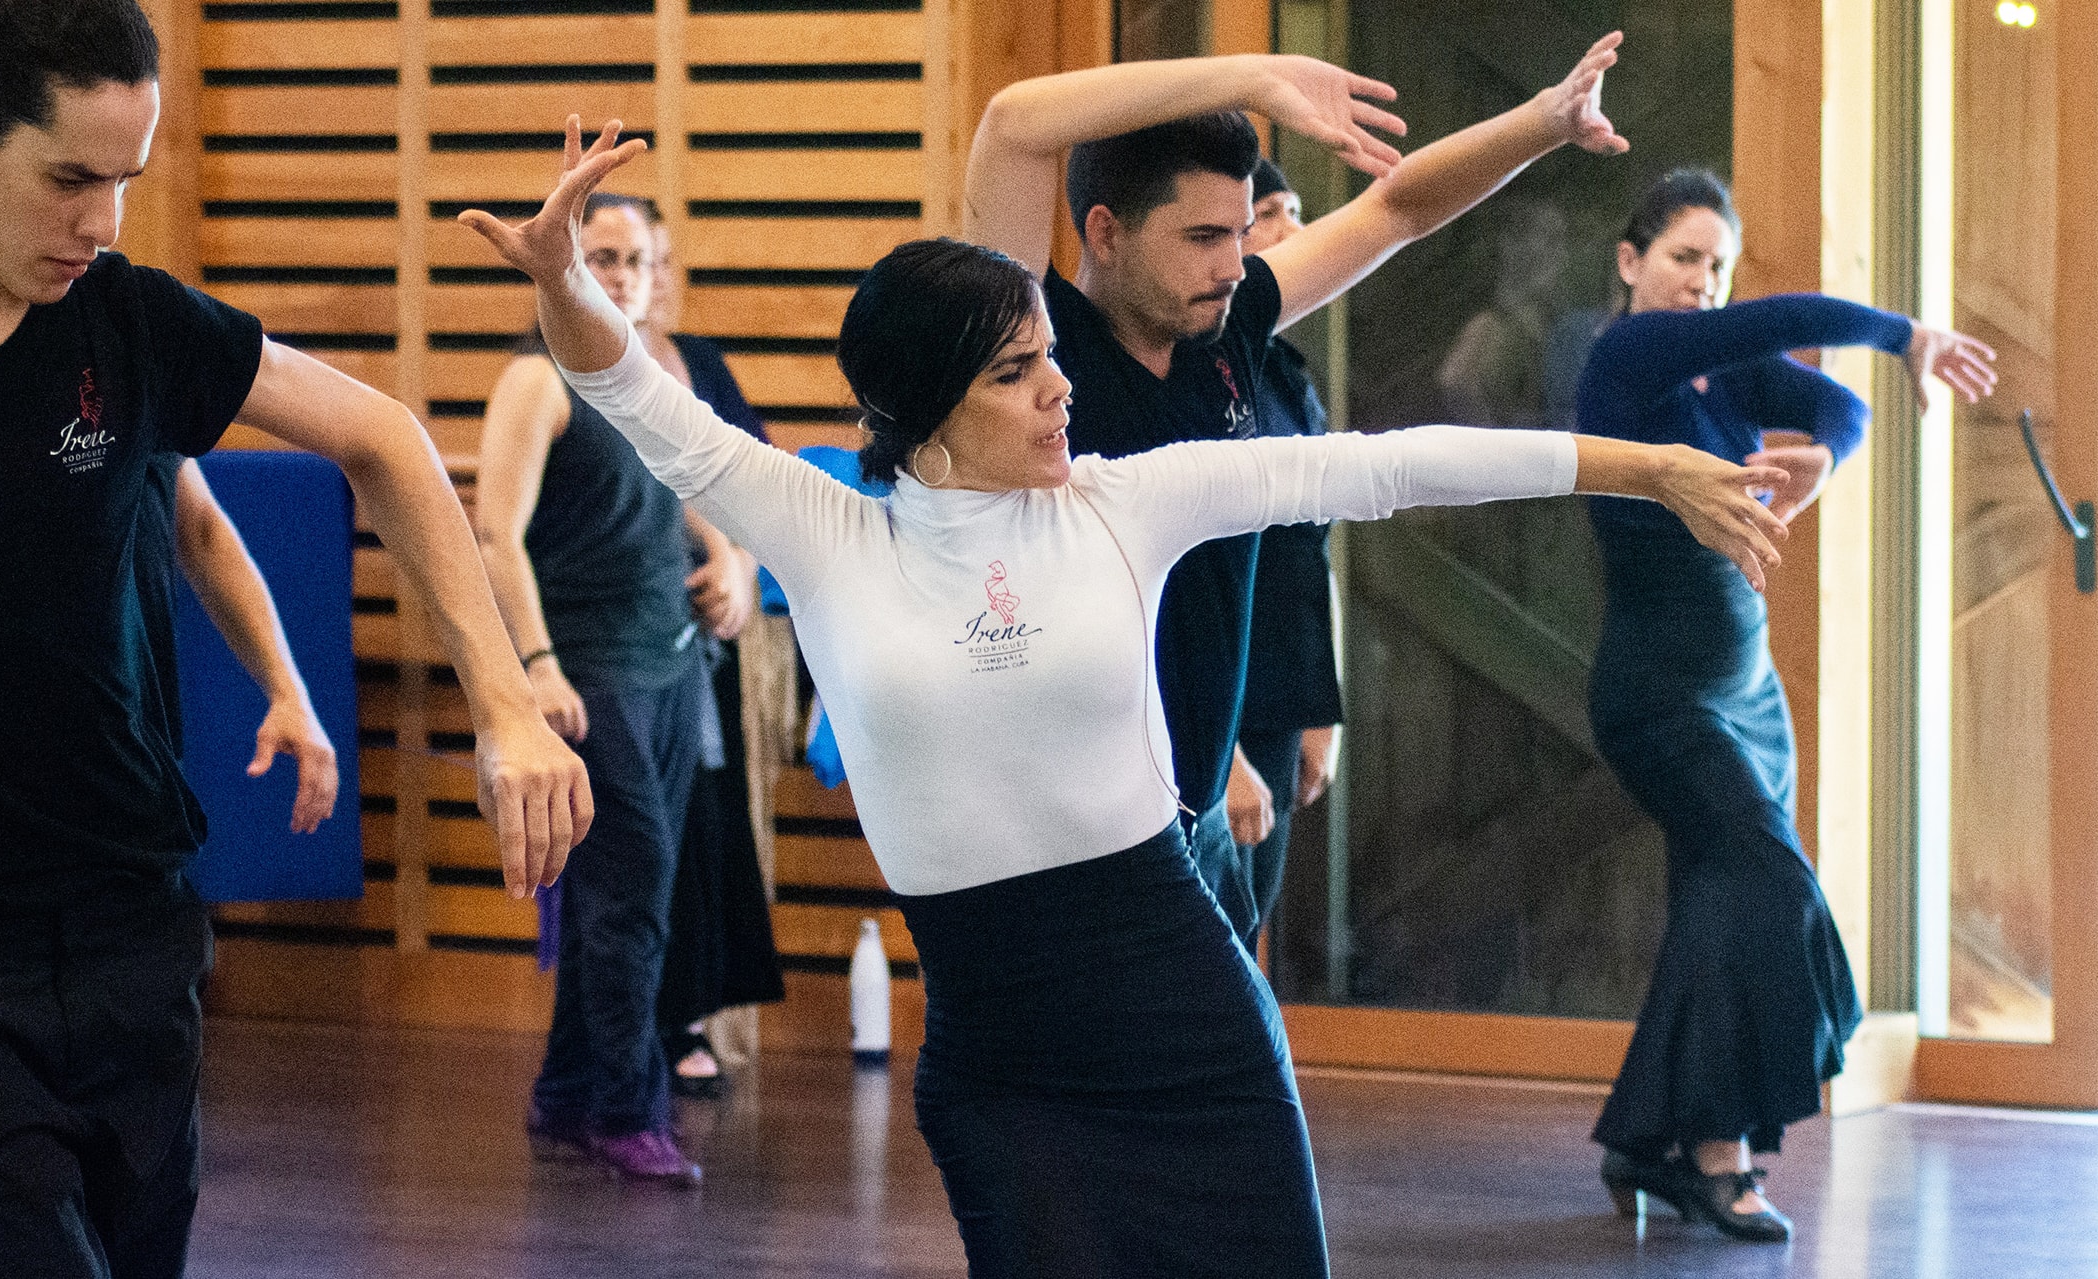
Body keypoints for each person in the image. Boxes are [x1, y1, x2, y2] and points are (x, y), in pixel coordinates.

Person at [462, 118, 1787, 1279]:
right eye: (1014, 372)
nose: (1061, 389)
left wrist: (1647, 464)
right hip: (996, 1049)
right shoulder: (825, 530)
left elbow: (1389, 466)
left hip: (1182, 1008)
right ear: (924, 403)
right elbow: (622, 387)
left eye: (1052, 356)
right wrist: (562, 271)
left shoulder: (1121, 502)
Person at [0, 3, 590, 1275]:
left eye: (127, 181)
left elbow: (386, 440)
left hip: (135, 925)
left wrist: (506, 704)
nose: (105, 222)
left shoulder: (128, 325)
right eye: (70, 179)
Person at [960, 35, 1631, 942]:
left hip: (1193, 818)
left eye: (1240, 234)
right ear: (1106, 232)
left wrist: (1540, 122)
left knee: (1240, 1080)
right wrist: (1246, 77)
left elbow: (1396, 208)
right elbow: (1010, 125)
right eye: (1203, 237)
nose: (1234, 264)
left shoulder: (1230, 329)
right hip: (1073, 838)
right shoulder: (1031, 347)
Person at [1578, 170, 1997, 1242]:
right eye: (1683, 258)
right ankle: (1719, 1152)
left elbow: (1834, 406)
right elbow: (1796, 322)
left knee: (1716, 908)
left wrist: (1824, 460)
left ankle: (1646, 1144)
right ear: (1630, 263)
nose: (1701, 283)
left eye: (1715, 267)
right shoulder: (1626, 357)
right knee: (1768, 886)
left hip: (1748, 693)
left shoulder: (1721, 384)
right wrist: (1902, 331)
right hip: (1659, 695)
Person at [475, 192, 760, 1183]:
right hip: (592, 678)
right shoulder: (533, 378)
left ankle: (564, 1094)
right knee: (627, 902)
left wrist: (726, 558)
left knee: (627, 893)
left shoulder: (640, 380)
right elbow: (493, 535)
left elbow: (692, 487)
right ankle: (624, 1111)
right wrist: (537, 672)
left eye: (636, 258)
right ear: (566, 264)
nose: (623, 272)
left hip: (673, 667)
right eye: (602, 254)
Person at [637, 213, 786, 1100]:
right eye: (621, 261)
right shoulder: (566, 375)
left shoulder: (704, 363)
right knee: (648, 829)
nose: (646, 278)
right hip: (631, 632)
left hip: (713, 632)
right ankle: (642, 1022)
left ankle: (688, 1010)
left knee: (711, 819)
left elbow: (756, 484)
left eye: (657, 262)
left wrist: (741, 567)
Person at [1223, 157, 1342, 953]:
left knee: (1249, 927)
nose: (1297, 231)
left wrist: (1320, 711)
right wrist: (1218, 753)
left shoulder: (1291, 374)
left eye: (1300, 209)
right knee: (1209, 944)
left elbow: (1311, 551)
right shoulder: (1206, 376)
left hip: (1280, 689)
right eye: (1272, 212)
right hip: (1214, 705)